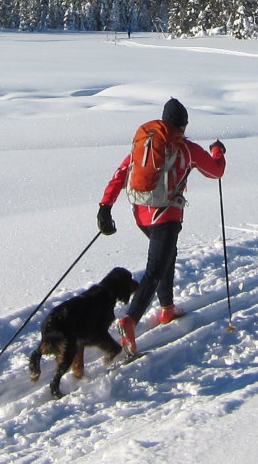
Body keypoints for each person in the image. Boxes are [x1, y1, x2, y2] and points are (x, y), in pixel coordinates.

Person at [97, 97, 226, 353]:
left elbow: (121, 173)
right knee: (155, 269)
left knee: (168, 256)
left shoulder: (145, 145)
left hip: (141, 214)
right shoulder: (187, 149)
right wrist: (218, 152)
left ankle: (167, 308)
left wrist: (105, 207)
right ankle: (130, 320)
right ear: (182, 125)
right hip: (166, 217)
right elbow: (215, 172)